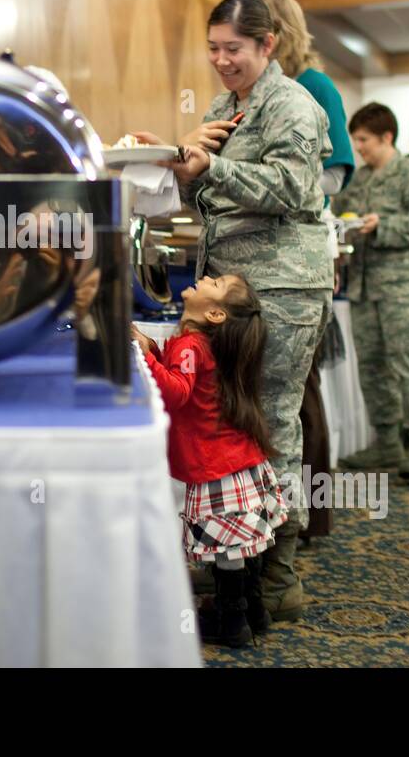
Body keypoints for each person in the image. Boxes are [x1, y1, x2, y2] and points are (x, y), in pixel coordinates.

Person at [152, 0, 333, 623]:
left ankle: (278, 574)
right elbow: (209, 191)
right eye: (213, 49)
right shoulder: (227, 107)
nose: (221, 60)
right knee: (230, 421)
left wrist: (215, 167)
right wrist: (180, 161)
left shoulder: (293, 106)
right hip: (232, 282)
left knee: (273, 423)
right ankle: (237, 563)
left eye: (233, 49)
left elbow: (291, 188)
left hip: (282, 285)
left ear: (268, 45)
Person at [132, 274, 288, 648]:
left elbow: (175, 393)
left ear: (215, 313)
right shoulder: (200, 344)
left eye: (214, 282)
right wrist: (151, 349)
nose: (203, 277)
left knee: (229, 549)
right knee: (242, 544)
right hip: (239, 458)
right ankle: (253, 609)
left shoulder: (191, 345)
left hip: (217, 465)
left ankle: (231, 619)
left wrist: (140, 357)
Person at [255, 0, 355, 541]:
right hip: (260, 259)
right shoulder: (250, 93)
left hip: (298, 259)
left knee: (299, 392)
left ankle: (312, 516)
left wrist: (268, 189)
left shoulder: (313, 86)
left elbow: (334, 175)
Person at [332, 104, 409, 481]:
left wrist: (384, 225)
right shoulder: (358, 181)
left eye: (363, 140)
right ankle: (388, 440)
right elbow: (340, 222)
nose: (358, 147)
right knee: (373, 366)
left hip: (401, 287)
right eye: (356, 139)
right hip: (362, 288)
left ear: (386, 137)